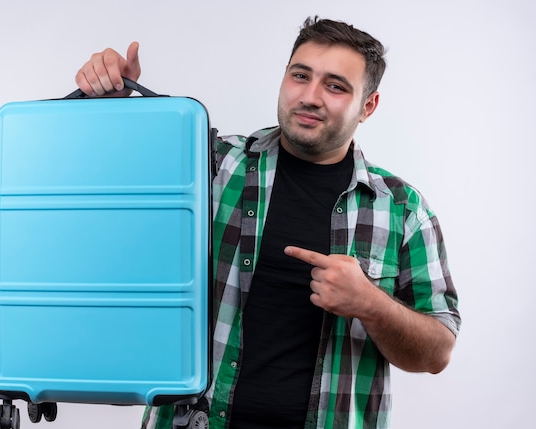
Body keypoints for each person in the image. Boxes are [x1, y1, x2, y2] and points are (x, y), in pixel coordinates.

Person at [75, 16, 461, 429]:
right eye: (300, 75)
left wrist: (370, 304)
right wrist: (111, 104)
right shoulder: (211, 165)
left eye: (335, 86)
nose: (310, 96)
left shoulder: (404, 211)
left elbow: (437, 351)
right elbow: (103, 190)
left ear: (367, 105)